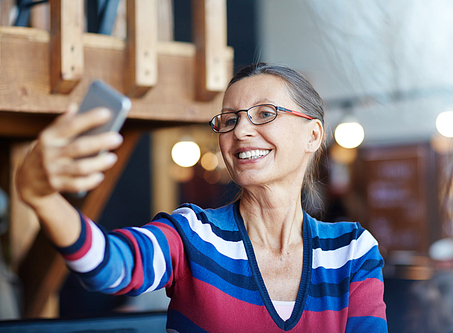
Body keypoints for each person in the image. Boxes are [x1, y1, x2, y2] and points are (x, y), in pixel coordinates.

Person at [16, 63, 387, 332]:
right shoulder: (192, 234)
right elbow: (113, 266)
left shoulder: (352, 251)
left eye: (265, 114)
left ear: (313, 134)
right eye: (228, 119)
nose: (240, 129)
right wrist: (44, 199)